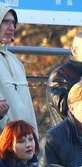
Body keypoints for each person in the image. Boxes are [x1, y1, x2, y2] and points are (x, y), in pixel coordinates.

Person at [0, 5, 37, 134]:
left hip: (24, 145)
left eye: (13, 23)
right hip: (4, 144)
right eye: (5, 22)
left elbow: (28, 111)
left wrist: (34, 142)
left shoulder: (16, 62)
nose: (11, 28)